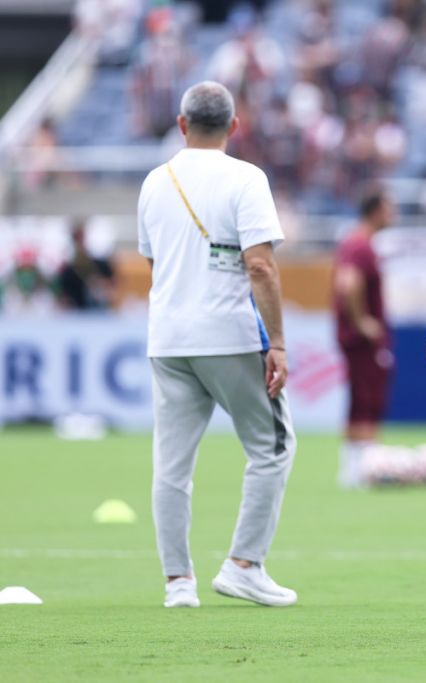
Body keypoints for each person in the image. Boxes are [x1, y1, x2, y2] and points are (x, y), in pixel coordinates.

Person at [138, 81, 298, 609]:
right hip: (229, 334)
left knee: (172, 464)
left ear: (182, 125)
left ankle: (177, 583)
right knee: (271, 448)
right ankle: (243, 565)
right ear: (234, 126)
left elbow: (154, 265)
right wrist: (276, 342)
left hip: (168, 338)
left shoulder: (153, 183)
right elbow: (259, 264)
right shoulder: (245, 178)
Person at [333, 190, 395, 488]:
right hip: (361, 339)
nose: (392, 213)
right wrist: (363, 322)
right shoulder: (361, 246)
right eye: (388, 208)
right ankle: (361, 469)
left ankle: (355, 467)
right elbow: (349, 283)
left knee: (360, 397)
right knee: (367, 397)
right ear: (375, 211)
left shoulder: (356, 242)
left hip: (353, 337)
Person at [57, 219, 117, 310]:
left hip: (102, 315)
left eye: (82, 238)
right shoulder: (67, 272)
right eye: (77, 238)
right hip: (78, 316)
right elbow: (63, 300)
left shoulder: (100, 265)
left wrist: (103, 286)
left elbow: (114, 287)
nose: (80, 242)